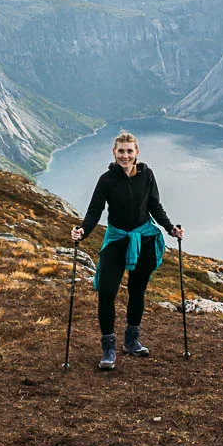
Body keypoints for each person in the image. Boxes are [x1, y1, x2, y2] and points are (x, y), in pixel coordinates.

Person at [71, 130, 184, 370]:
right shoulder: (106, 180)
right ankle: (108, 347)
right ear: (114, 153)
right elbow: (94, 211)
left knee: (137, 291)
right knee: (107, 292)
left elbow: (154, 205)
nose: (125, 155)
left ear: (137, 153)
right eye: (121, 151)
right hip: (117, 240)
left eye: (129, 151)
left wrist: (169, 228)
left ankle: (131, 341)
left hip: (143, 240)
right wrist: (82, 230)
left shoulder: (147, 175)